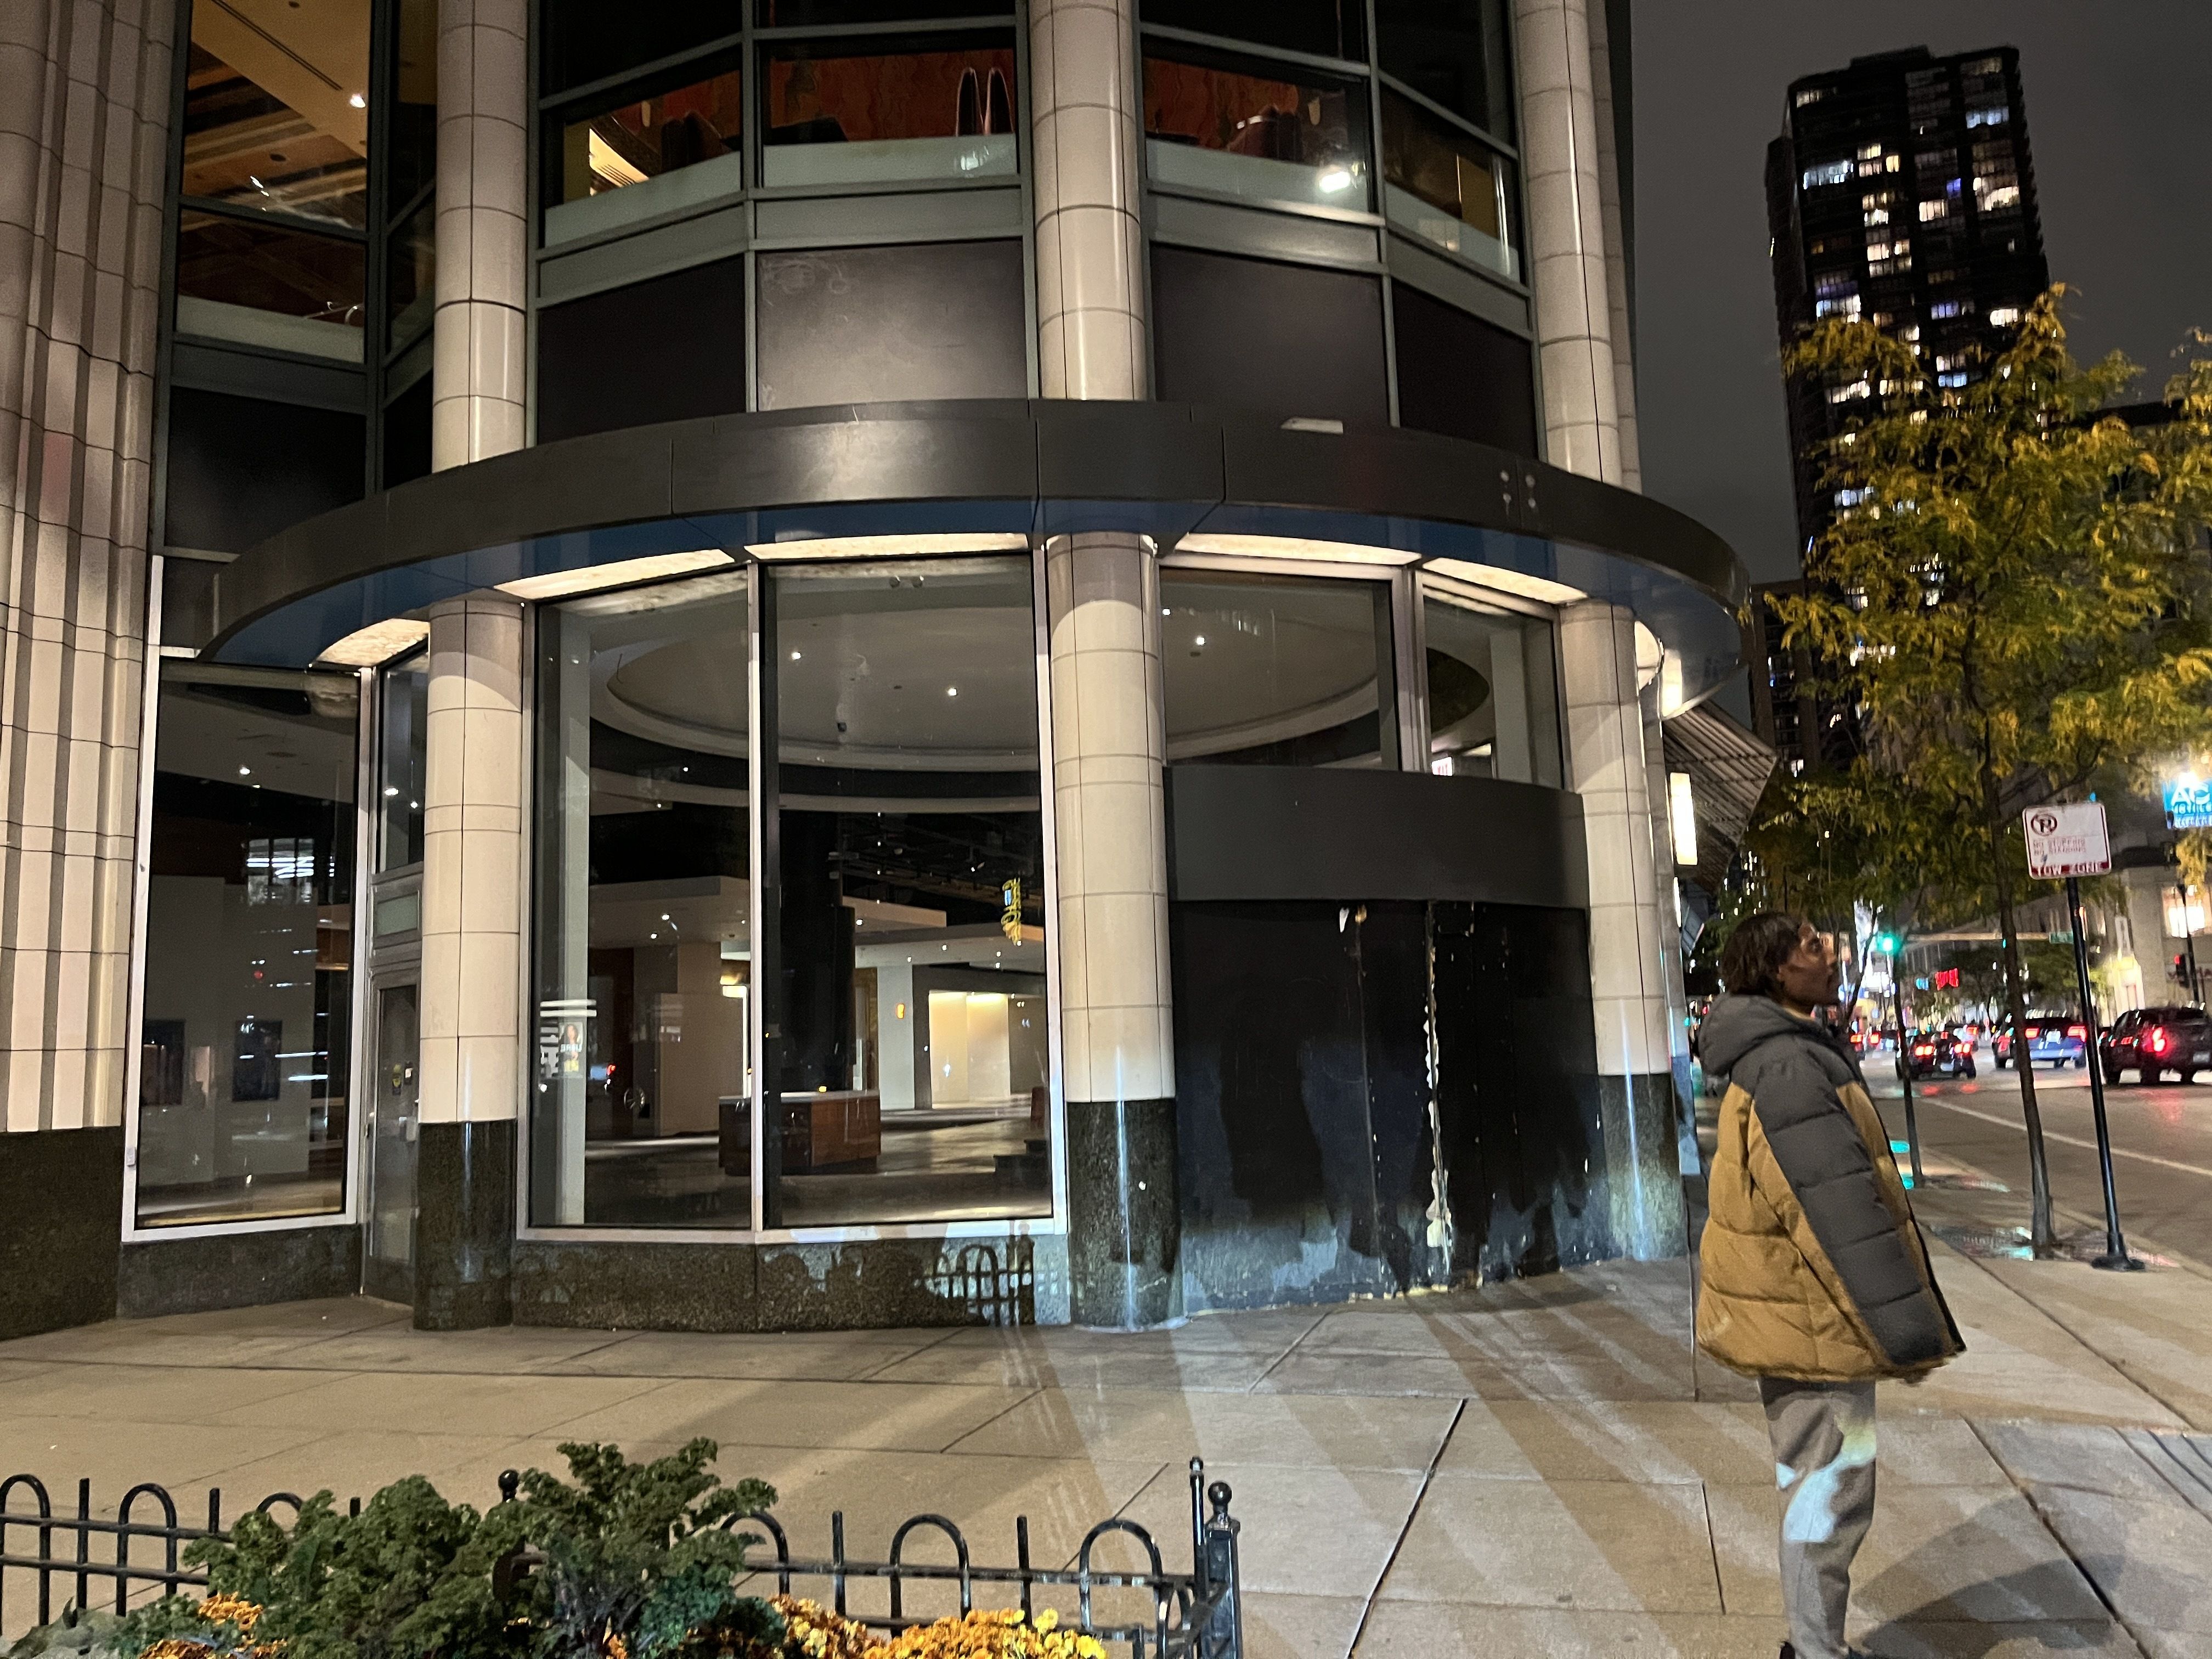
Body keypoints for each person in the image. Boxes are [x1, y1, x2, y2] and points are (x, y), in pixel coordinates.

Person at [1697, 913, 1965, 1659]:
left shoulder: (1783, 1053)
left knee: (1819, 1485)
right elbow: (1834, 1209)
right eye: (1812, 945)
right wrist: (1899, 1331)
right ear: (1778, 972)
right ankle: (1817, 1653)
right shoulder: (1788, 1065)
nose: (1829, 953)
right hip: (1813, 1319)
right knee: (1830, 1492)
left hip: (1799, 1312)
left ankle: (1817, 1645)